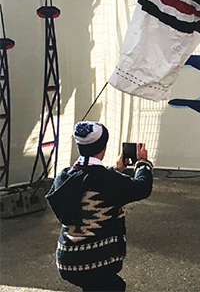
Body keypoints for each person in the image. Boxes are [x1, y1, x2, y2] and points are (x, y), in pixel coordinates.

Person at [45, 121, 153, 292]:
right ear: (104, 147)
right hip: (95, 261)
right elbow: (143, 187)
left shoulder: (64, 177)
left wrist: (116, 170)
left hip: (67, 258)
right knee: (113, 287)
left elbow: (86, 180)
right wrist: (143, 163)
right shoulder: (109, 181)